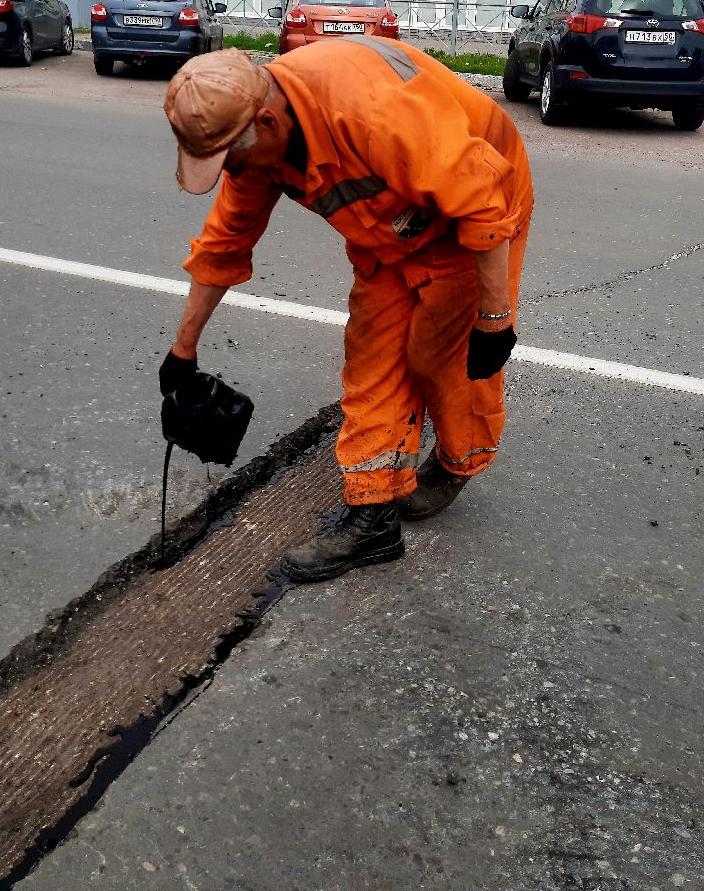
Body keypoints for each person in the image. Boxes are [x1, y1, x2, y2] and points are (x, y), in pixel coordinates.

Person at [160, 38, 534, 583]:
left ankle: (459, 460)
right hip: (388, 231)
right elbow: (223, 246)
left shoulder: (372, 113)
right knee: (372, 359)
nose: (231, 172)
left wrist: (495, 319)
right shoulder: (256, 148)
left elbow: (480, 199)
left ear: (267, 122)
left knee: (437, 358)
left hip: (475, 207)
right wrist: (183, 351)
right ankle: (372, 521)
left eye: (229, 158)